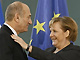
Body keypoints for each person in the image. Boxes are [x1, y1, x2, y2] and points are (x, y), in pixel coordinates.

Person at [11, 16, 80, 60]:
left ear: (66, 33)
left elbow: (55, 58)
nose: (50, 35)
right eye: (50, 31)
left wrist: (28, 47)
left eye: (55, 31)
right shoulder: (48, 51)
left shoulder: (76, 52)